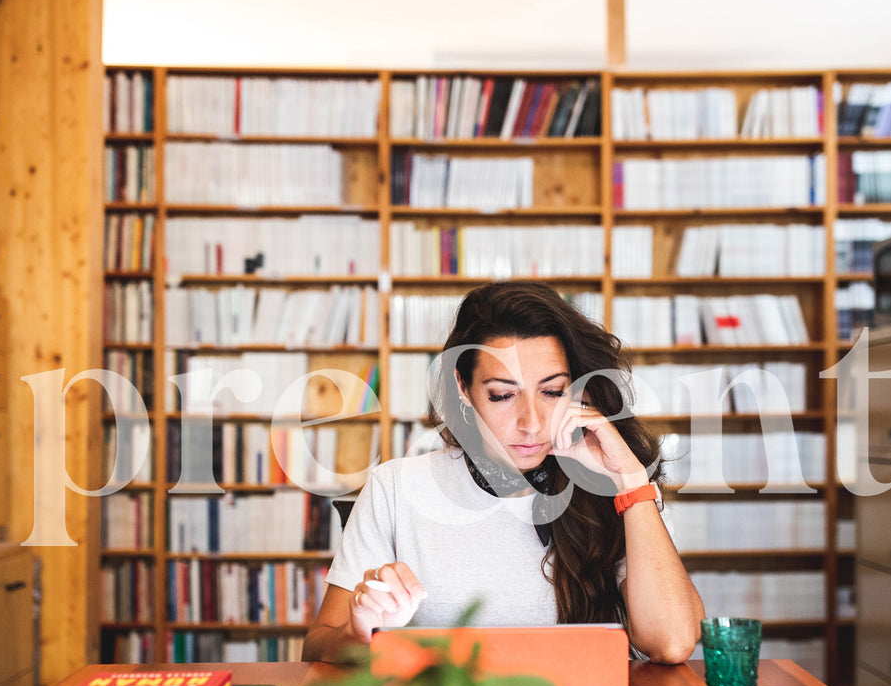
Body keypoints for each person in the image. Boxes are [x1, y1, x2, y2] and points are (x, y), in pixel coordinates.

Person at [302, 280, 704, 664]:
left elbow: (671, 643)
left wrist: (632, 481)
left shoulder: (612, 484)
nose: (531, 422)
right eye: (502, 395)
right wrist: (360, 631)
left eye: (552, 391)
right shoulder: (395, 487)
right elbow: (318, 646)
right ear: (463, 387)